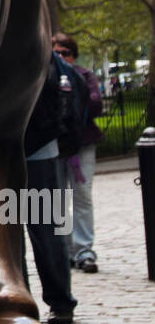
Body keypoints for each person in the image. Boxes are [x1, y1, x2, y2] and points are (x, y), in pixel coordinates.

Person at [23, 51, 77, 324]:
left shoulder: (35, 47)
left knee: (45, 231)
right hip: (18, 150)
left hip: (34, 150)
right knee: (6, 232)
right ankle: (20, 301)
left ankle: (59, 300)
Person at [52, 32, 103, 272]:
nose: (61, 56)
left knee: (82, 195)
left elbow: (94, 103)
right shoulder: (44, 76)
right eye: (56, 52)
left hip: (81, 146)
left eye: (66, 53)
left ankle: (84, 249)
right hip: (55, 146)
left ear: (74, 56)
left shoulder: (84, 76)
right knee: (58, 200)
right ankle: (65, 250)